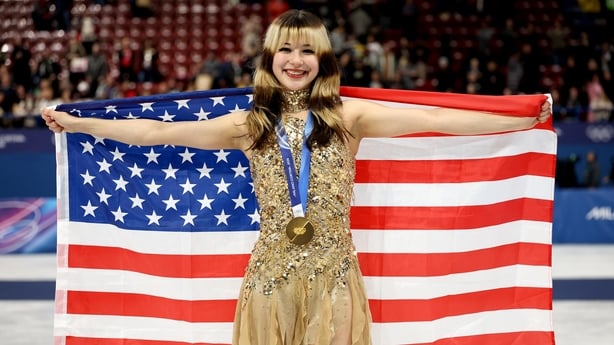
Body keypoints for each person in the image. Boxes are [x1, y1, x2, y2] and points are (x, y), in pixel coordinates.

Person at [42, 9, 551, 345]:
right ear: (270, 58)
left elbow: (437, 120)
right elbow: (159, 133)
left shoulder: (349, 117)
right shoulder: (249, 124)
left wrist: (522, 117)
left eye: (307, 50)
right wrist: (78, 121)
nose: (296, 60)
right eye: (286, 49)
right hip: (269, 275)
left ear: (323, 59)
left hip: (335, 276)